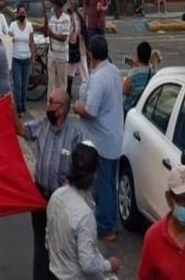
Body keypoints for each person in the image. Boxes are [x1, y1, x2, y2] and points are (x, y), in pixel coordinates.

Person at [15, 90, 83, 280]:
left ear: (61, 109)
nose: (48, 106)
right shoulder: (43, 125)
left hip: (61, 202)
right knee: (40, 246)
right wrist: (11, 108)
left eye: (51, 102)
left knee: (59, 246)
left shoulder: (75, 135)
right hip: (40, 197)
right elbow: (21, 130)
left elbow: (81, 170)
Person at [72, 36, 124, 242]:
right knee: (110, 184)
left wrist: (77, 108)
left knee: (103, 185)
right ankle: (110, 221)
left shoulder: (99, 78)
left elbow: (91, 111)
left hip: (101, 141)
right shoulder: (113, 71)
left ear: (91, 54)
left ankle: (106, 227)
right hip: (113, 137)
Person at [46, 142, 122, 279]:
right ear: (94, 174)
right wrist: (109, 265)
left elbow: (48, 238)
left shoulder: (56, 196)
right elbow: (88, 265)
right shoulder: (84, 215)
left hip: (54, 273)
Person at [8, 5, 35, 116]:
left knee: (24, 85)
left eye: (23, 12)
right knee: (18, 85)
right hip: (16, 58)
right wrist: (11, 39)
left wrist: (33, 55)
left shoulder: (29, 26)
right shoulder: (13, 25)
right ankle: (18, 108)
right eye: (20, 12)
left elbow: (32, 42)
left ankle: (23, 106)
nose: (22, 14)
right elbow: (8, 40)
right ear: (17, 14)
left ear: (26, 14)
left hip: (27, 59)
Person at [122, 41, 154, 116]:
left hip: (131, 109)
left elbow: (124, 91)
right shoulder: (153, 73)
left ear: (138, 57)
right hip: (146, 109)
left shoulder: (133, 73)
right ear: (149, 57)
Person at [47, 0, 71, 94]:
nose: (52, 7)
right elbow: (47, 33)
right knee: (51, 82)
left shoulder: (66, 19)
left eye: (54, 5)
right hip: (52, 54)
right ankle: (50, 102)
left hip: (62, 55)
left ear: (57, 6)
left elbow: (64, 37)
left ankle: (61, 103)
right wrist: (46, 30)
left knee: (62, 82)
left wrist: (51, 34)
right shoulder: (52, 19)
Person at [66, 0, 89, 96]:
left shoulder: (75, 16)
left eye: (70, 4)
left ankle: (87, 89)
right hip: (74, 45)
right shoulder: (72, 16)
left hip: (78, 45)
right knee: (72, 67)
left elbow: (78, 30)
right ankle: (69, 90)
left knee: (82, 66)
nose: (69, 5)